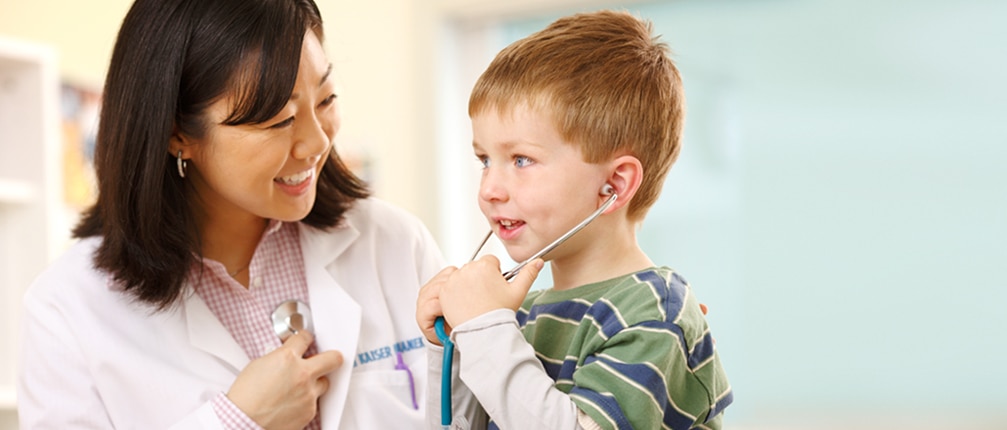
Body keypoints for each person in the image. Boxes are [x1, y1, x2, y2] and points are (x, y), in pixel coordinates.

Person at [18, 0, 443, 428]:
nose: (315, 143)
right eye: (279, 120)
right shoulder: (66, 311)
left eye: (326, 99)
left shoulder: (392, 242)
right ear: (177, 133)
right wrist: (237, 420)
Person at [414, 10, 731, 430]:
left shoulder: (654, 314)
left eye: (521, 159)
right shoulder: (519, 313)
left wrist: (485, 331)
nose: (490, 187)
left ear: (614, 185)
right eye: (485, 160)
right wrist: (450, 347)